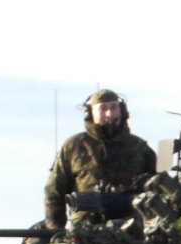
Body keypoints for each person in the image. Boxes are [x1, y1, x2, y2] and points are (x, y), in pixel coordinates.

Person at [43, 89, 160, 228]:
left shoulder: (140, 148)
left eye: (114, 107)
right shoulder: (74, 147)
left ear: (122, 110)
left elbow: (158, 190)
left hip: (131, 233)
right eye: (102, 109)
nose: (109, 114)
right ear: (90, 113)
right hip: (84, 233)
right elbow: (54, 192)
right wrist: (56, 231)